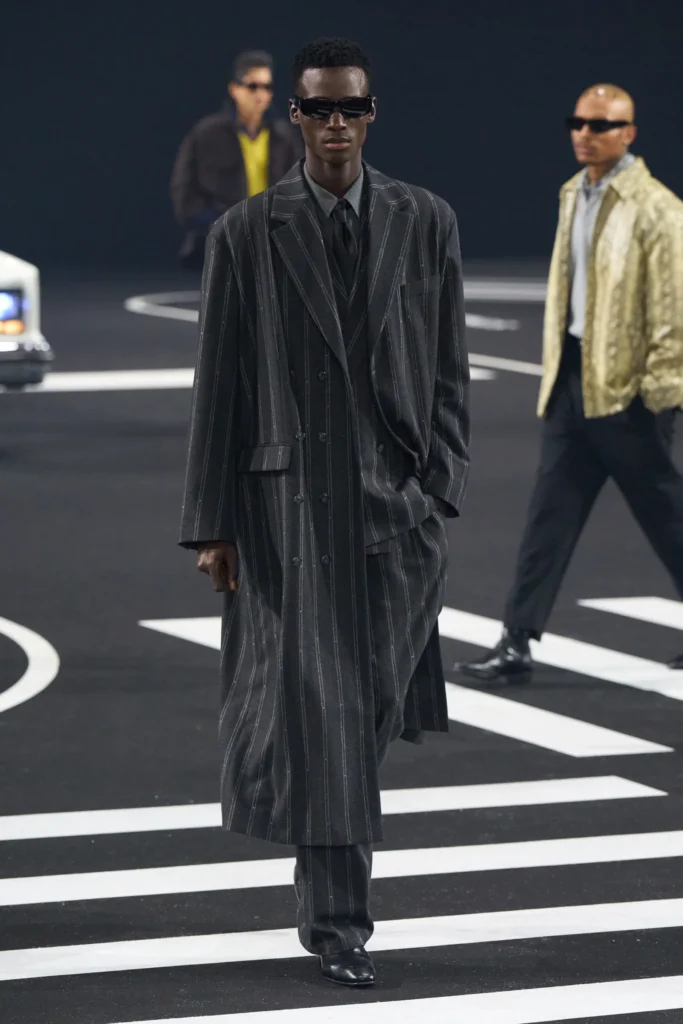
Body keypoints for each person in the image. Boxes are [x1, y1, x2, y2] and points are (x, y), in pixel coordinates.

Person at [179, 37, 469, 985]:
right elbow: (219, 383)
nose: (335, 123)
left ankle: (327, 867)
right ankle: (337, 925)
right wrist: (212, 524)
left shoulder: (425, 220)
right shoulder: (246, 232)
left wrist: (441, 484)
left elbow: (447, 363)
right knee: (327, 718)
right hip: (289, 512)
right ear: (295, 117)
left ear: (370, 115)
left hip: (399, 509)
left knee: (363, 711)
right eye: (317, 109)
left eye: (350, 107)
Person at [454, 83, 683, 686]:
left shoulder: (658, 208)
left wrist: (658, 393)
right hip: (572, 382)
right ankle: (516, 642)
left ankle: (515, 641)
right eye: (578, 123)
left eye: (600, 125)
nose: (585, 133)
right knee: (548, 518)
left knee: (666, 516)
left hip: (628, 394)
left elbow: (673, 309)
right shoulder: (571, 193)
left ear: (628, 133)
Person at [170, 50, 301, 269]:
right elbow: (184, 187)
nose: (260, 94)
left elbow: (299, 188)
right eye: (252, 86)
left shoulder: (283, 137)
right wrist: (213, 224)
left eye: (267, 87)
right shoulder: (207, 135)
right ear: (234, 89)